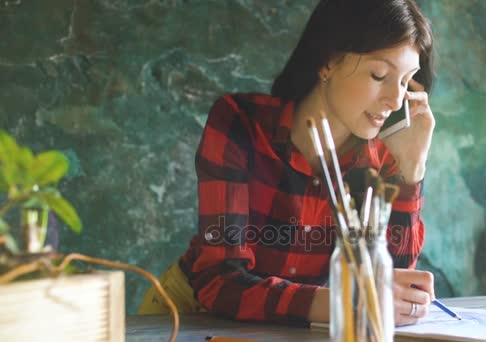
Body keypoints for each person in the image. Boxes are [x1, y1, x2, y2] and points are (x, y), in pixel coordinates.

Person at [138, 0, 436, 327]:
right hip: (189, 317)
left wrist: (412, 168)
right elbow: (219, 280)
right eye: (379, 74)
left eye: (407, 81)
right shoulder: (240, 124)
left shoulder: (387, 154)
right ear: (327, 63)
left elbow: (391, 283)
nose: (395, 99)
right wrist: (341, 302)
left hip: (295, 326)